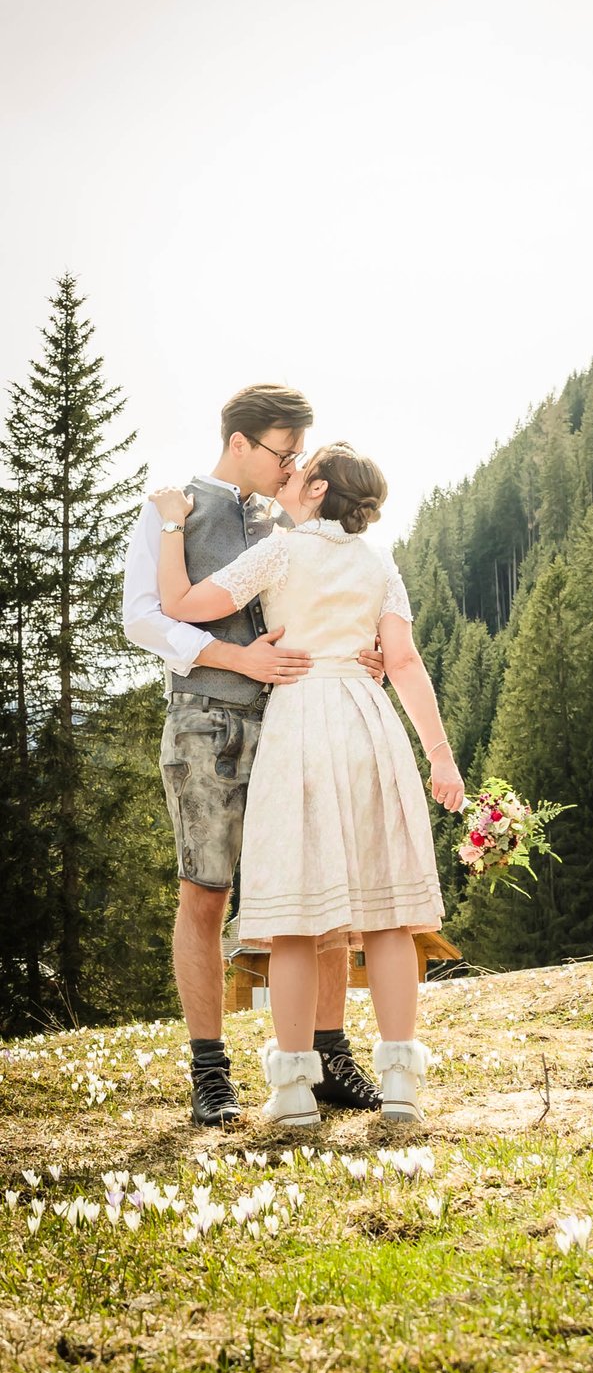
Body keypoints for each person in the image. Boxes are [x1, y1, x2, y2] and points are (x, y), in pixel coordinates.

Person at [149, 442, 463, 1125]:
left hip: (296, 724)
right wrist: (440, 755)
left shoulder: (280, 552)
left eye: (300, 470)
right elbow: (404, 662)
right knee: (387, 915)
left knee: (293, 918)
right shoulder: (380, 563)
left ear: (318, 490)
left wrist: (173, 523)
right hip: (367, 723)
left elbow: (182, 603)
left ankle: (292, 1095)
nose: (288, 478)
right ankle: (403, 1085)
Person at [123, 385, 386, 1126]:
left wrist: (365, 650)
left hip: (295, 722)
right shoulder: (170, 511)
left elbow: (341, 589)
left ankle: (330, 1057)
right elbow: (140, 616)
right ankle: (212, 1074)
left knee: (322, 890)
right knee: (206, 894)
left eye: (300, 452)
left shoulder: (291, 517)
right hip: (206, 723)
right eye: (283, 451)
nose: (293, 464)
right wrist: (236, 661)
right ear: (240, 443)